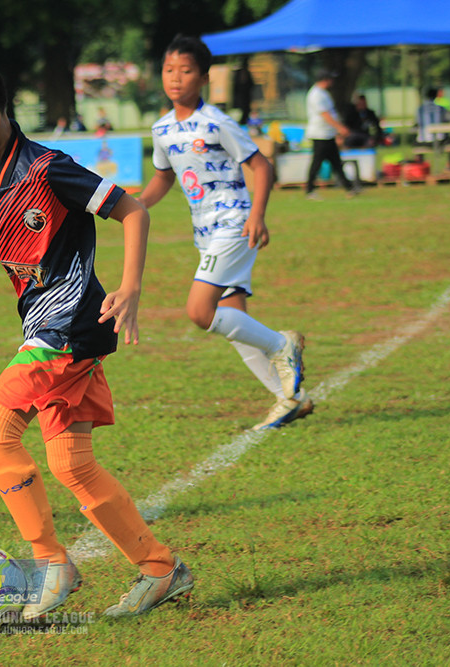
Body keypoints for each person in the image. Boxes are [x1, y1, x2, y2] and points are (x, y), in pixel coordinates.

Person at [0, 51, 194, 619]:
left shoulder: (48, 170)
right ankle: (161, 570)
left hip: (65, 329)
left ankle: (50, 562)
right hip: (52, 330)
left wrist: (131, 285)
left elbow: (134, 210)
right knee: (72, 466)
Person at [138, 34, 310, 433]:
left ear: (203, 77)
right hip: (205, 232)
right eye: (169, 70)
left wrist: (258, 216)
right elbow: (163, 179)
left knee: (200, 311)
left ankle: (283, 345)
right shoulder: (161, 129)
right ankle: (292, 400)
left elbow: (262, 165)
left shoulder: (217, 122)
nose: (175, 78)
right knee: (232, 320)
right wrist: (134, 206)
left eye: (185, 71)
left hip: (233, 225)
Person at [304, 68, 358, 200]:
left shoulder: (323, 93)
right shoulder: (316, 94)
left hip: (327, 133)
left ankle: (349, 187)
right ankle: (310, 190)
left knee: (336, 162)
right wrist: (340, 128)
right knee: (317, 163)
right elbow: (325, 115)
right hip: (320, 134)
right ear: (325, 80)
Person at [416, 88, 450, 171]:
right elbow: (448, 120)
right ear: (436, 96)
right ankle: (449, 165)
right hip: (440, 140)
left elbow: (418, 122)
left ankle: (420, 167)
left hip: (423, 141)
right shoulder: (441, 108)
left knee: (415, 142)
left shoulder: (420, 109)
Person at [232, 56, 255, 125]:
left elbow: (251, 84)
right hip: (238, 98)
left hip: (246, 98)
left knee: (245, 111)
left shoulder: (247, 73)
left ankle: (244, 121)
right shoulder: (238, 73)